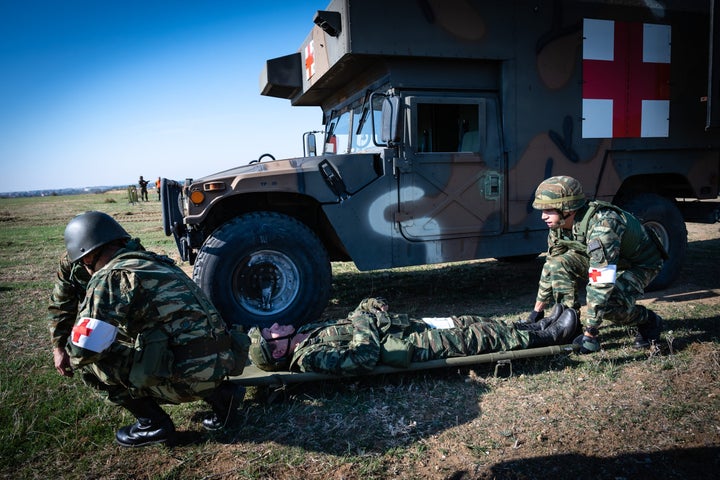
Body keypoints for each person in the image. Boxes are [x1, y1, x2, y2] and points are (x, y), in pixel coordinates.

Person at [52, 211, 249, 447]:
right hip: (223, 363)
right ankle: (223, 399)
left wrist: (67, 353)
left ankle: (152, 424)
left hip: (188, 378)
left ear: (88, 257)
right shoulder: (155, 262)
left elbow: (85, 348)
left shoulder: (111, 276)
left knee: (90, 364)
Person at [248, 297, 579, 374]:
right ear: (278, 351)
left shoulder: (307, 333)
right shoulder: (310, 359)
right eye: (270, 333)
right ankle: (553, 336)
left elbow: (353, 323)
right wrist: (366, 320)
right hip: (408, 345)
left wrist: (368, 308)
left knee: (471, 320)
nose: (274, 326)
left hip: (406, 326)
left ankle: (537, 325)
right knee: (480, 337)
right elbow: (363, 358)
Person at [526, 176, 666, 354]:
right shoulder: (559, 225)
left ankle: (649, 321)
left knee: (608, 306)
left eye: (548, 209)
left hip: (640, 264)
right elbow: (551, 265)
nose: (543, 216)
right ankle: (569, 324)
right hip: (610, 261)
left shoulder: (604, 226)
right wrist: (536, 312)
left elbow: (600, 281)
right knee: (559, 264)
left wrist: (590, 333)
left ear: (566, 208)